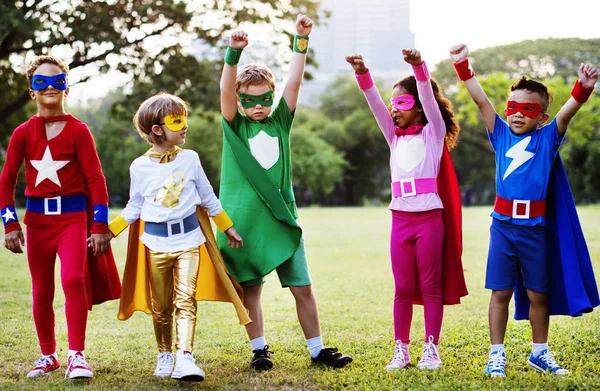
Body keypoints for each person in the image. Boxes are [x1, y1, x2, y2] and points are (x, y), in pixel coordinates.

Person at [450, 43, 599, 378]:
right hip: (502, 227)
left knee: (538, 293)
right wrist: (462, 66)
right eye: (513, 107)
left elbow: (567, 113)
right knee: (499, 291)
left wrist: (583, 88)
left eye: (528, 110)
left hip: (535, 228)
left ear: (541, 117)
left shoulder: (547, 139)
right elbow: (480, 100)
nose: (518, 113)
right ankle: (496, 354)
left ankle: (539, 352)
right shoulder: (500, 133)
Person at [218, 15, 352, 370]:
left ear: (272, 97)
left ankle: (317, 349)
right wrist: (233, 54)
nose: (258, 106)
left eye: (265, 98)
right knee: (252, 289)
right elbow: (224, 90)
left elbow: (294, 80)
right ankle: (259, 350)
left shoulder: (280, 121)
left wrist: (301, 39)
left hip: (283, 215)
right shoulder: (234, 125)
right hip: (245, 220)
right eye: (249, 100)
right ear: (239, 100)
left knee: (302, 286)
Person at [107, 92, 248, 381]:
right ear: (157, 130)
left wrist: (227, 226)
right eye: (177, 121)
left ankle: (185, 358)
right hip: (155, 244)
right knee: (162, 306)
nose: (185, 126)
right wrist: (108, 231)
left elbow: (208, 197)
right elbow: (135, 205)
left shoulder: (191, 159)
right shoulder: (139, 167)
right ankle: (165, 353)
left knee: (186, 300)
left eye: (185, 119)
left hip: (189, 241)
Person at [0, 55, 121, 379]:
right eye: (41, 82)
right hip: (37, 223)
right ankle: (47, 356)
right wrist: (10, 223)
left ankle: (77, 356)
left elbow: (96, 179)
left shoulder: (79, 131)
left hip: (72, 220)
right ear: (31, 92)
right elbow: (6, 181)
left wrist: (99, 225)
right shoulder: (23, 133)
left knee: (72, 279)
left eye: (57, 81)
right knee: (41, 289)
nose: (50, 87)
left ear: (66, 88)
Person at [346, 50, 467, 370]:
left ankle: (432, 349)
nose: (393, 109)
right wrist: (363, 73)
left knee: (430, 286)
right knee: (402, 288)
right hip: (400, 217)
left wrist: (419, 69)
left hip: (429, 218)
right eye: (392, 104)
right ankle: (401, 349)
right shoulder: (393, 136)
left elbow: (429, 99)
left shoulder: (433, 134)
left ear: (417, 106)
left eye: (401, 103)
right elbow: (373, 103)